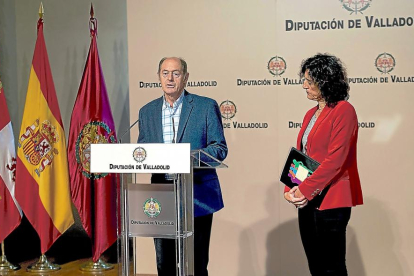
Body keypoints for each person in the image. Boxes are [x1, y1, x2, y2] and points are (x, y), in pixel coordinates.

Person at [138, 57, 228, 276]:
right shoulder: (147, 111)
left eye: (176, 73)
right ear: (158, 76)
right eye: (165, 73)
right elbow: (143, 150)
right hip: (160, 195)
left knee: (195, 265)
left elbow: (219, 149)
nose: (170, 78)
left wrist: (186, 158)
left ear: (186, 77)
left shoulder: (205, 106)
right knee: (164, 264)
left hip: (197, 193)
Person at [283, 53, 363, 276]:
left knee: (332, 268)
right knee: (315, 266)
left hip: (332, 198)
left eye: (309, 80)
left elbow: (336, 160)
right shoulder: (310, 113)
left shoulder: (344, 110)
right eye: (305, 80)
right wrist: (291, 187)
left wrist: (305, 190)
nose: (304, 85)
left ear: (325, 81)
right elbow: (303, 156)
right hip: (308, 200)